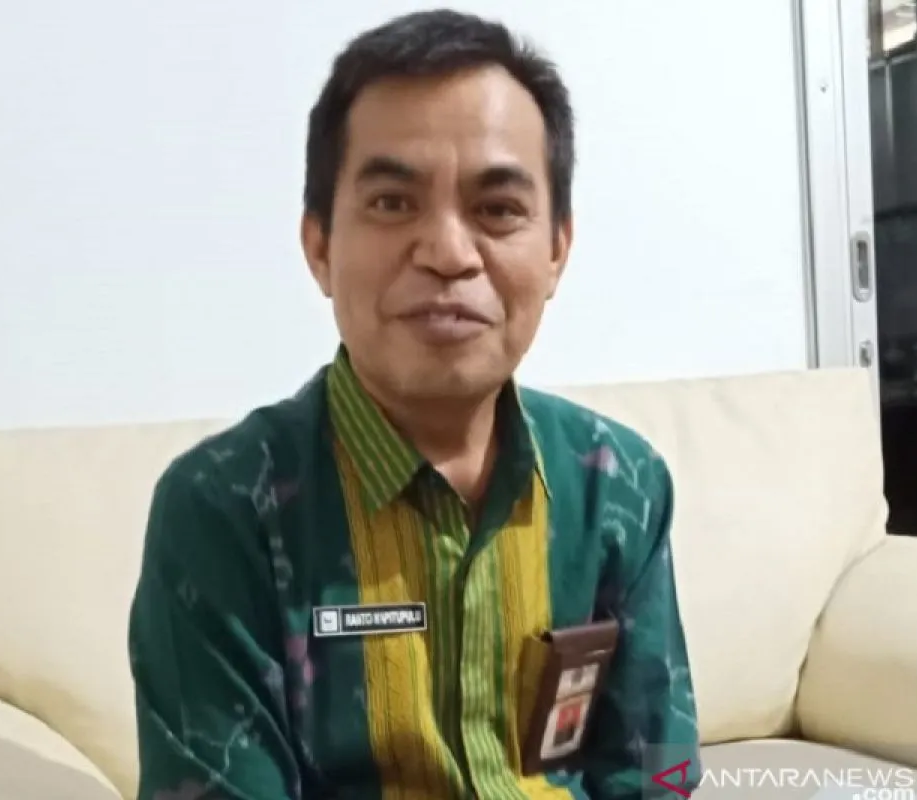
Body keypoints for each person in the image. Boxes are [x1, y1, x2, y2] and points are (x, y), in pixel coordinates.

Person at [128, 9, 701, 799]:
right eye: (394, 203)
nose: (448, 254)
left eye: (497, 209)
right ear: (319, 245)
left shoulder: (618, 485)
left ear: (557, 249)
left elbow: (660, 773)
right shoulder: (224, 511)